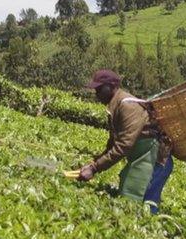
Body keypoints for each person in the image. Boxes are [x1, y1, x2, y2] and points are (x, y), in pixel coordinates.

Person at [74, 69, 173, 214]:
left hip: (155, 161)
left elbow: (124, 145)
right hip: (142, 158)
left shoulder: (128, 106)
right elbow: (113, 142)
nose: (97, 93)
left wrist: (94, 169)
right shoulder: (116, 105)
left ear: (111, 86)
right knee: (129, 199)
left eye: (100, 89)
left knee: (144, 206)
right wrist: (94, 163)